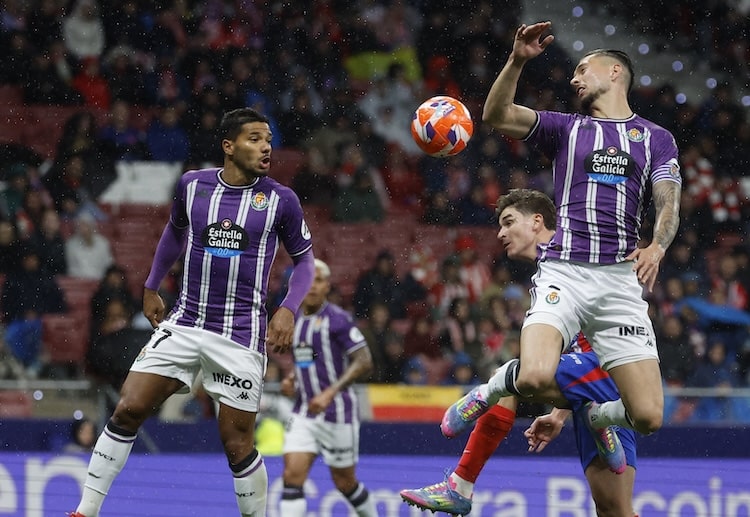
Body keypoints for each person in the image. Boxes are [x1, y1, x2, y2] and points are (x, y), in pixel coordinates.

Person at [69, 107, 315, 517]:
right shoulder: (193, 185)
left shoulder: (280, 200)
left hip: (240, 333)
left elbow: (305, 261)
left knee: (237, 444)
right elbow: (174, 232)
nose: (266, 147)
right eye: (255, 139)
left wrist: (288, 308)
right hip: (185, 322)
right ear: (228, 146)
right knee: (128, 408)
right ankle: (85, 511)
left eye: (268, 140)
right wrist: (151, 285)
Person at [442, 22, 682, 441]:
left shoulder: (655, 139)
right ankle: (491, 389)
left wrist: (658, 246)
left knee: (648, 417)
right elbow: (497, 115)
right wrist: (516, 60)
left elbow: (668, 201)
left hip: (619, 282)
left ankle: (594, 417)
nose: (574, 78)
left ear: (614, 72)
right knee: (533, 377)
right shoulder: (566, 128)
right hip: (565, 273)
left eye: (583, 69)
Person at [401, 189, 637, 517]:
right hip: (595, 392)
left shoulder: (577, 249)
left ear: (537, 221)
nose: (500, 233)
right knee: (614, 510)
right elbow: (578, 342)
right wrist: (559, 413)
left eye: (509, 222)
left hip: (617, 368)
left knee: (512, 376)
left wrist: (651, 248)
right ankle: (599, 417)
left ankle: (461, 482)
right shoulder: (546, 276)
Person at [279, 259, 377, 516]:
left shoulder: (338, 319)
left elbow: (364, 360)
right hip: (304, 412)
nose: (312, 286)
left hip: (338, 412)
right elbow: (309, 356)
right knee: (292, 476)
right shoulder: (293, 318)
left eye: (319, 280)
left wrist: (330, 392)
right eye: (308, 280)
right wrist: (292, 378)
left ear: (327, 287)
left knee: (345, 483)